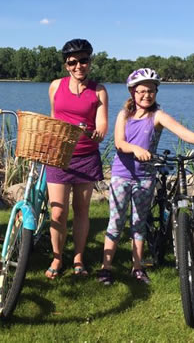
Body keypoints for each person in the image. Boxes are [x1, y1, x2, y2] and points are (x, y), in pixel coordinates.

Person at [97, 68, 194, 285]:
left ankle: (137, 267)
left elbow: (184, 133)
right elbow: (119, 142)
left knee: (139, 222)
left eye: (151, 91)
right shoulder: (124, 115)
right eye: (141, 91)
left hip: (145, 177)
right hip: (122, 175)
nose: (146, 95)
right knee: (116, 221)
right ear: (132, 92)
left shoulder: (157, 116)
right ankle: (106, 268)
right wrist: (134, 149)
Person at [45, 39, 109, 279]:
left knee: (81, 210)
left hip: (86, 156)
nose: (78, 66)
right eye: (73, 62)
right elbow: (54, 118)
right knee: (58, 213)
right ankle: (57, 257)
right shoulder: (54, 86)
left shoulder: (99, 90)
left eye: (83, 60)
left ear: (90, 62)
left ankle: (79, 257)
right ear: (66, 65)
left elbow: (102, 123)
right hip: (59, 156)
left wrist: (98, 133)